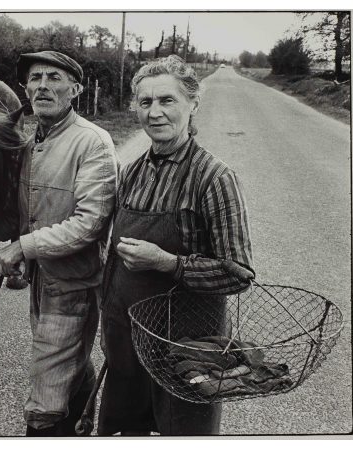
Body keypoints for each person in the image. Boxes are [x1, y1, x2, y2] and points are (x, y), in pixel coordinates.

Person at [97, 55, 254, 436]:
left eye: (167, 101)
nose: (155, 113)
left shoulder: (214, 178)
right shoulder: (133, 171)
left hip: (187, 349)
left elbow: (238, 274)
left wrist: (169, 263)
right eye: (145, 102)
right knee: (123, 435)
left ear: (192, 103)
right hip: (128, 344)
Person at [0, 50, 118, 436]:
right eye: (35, 78)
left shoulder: (92, 142)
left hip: (73, 286)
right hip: (42, 281)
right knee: (71, 367)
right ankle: (81, 427)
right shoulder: (32, 142)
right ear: (25, 88)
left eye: (54, 77)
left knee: (45, 398)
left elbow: (90, 223)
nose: (42, 85)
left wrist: (23, 247)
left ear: (76, 89)